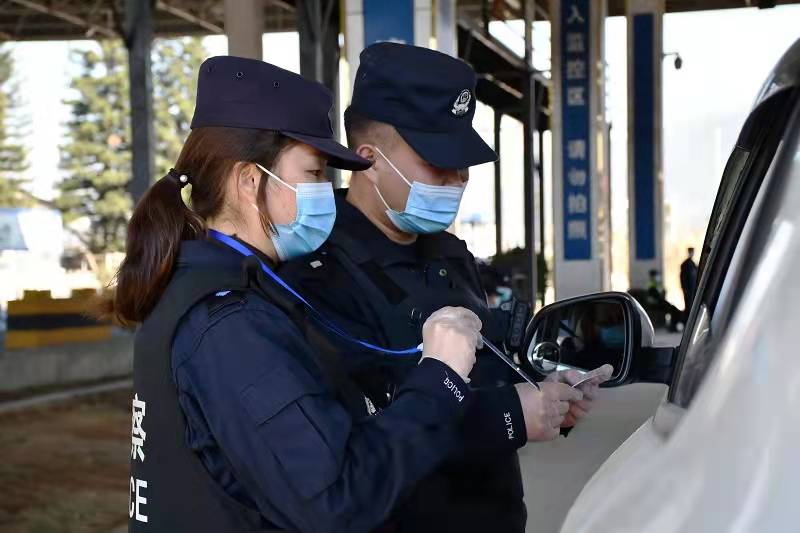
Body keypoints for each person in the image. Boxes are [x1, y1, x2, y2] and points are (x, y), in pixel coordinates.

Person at [105, 56, 491, 533]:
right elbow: (337, 499)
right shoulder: (232, 325)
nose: (326, 192)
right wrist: (440, 377)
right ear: (250, 181)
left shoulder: (207, 290)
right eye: (313, 173)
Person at [279, 43, 610, 533]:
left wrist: (545, 395)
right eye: (438, 161)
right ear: (369, 159)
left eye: (463, 162)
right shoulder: (316, 271)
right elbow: (361, 429)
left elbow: (484, 372)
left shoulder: (449, 253)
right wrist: (510, 415)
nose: (457, 178)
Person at [680, 247, 699, 314]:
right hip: (688, 289)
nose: (691, 253)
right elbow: (683, 278)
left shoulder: (693, 264)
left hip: (692, 288)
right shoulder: (685, 265)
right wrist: (685, 288)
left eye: (692, 252)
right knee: (688, 305)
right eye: (690, 252)